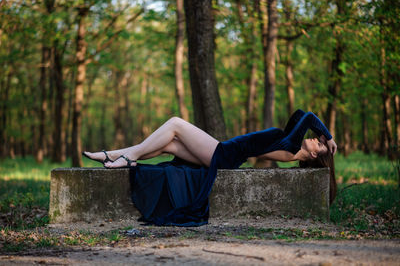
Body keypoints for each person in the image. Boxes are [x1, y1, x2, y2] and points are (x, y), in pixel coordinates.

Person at [83, 109, 337, 226]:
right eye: (319, 137)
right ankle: (113, 155)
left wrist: (330, 136)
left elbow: (309, 116)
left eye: (320, 143)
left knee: (175, 124)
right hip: (223, 152)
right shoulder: (291, 142)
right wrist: (328, 137)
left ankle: (129, 157)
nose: (317, 137)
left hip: (222, 154)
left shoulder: (293, 147)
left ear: (314, 153)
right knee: (168, 145)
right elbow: (301, 114)